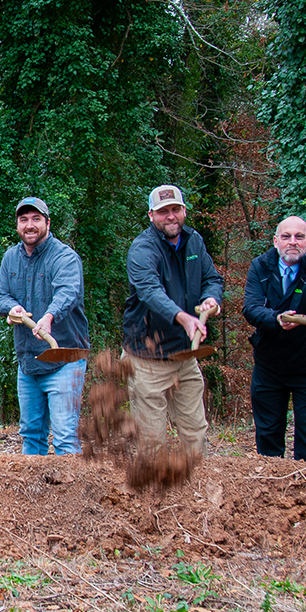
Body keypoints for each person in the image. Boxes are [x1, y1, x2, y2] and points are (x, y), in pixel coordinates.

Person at [121, 185, 224, 457]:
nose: (170, 216)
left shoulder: (194, 241)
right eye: (163, 211)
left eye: (175, 209)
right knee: (151, 441)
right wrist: (184, 319)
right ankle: (153, 497)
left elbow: (212, 278)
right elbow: (149, 292)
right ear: (151, 216)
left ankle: (195, 493)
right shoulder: (142, 249)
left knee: (195, 432)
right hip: (147, 357)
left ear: (184, 211)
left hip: (184, 354)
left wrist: (211, 299)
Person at [0, 197, 89, 456]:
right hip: (29, 362)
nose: (30, 225)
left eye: (36, 219)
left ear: (47, 223)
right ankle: (34, 497)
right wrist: (11, 307)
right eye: (23, 220)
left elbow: (68, 292)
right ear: (17, 226)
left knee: (65, 439)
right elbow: (0, 294)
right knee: (31, 436)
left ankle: (69, 494)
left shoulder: (64, 257)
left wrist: (49, 316)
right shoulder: (11, 258)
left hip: (65, 359)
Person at [241, 216, 306, 462]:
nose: (292, 242)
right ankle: (271, 491)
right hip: (269, 366)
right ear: (276, 241)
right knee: (268, 435)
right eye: (286, 237)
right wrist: (276, 319)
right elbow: (251, 308)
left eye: (299, 237)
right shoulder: (260, 266)